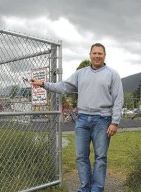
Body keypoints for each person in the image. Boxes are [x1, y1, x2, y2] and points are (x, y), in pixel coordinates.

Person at [30, 43, 123, 192]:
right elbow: (63, 86)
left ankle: (97, 189)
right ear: (90, 55)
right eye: (94, 53)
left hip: (103, 120)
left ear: (105, 56)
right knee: (81, 157)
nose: (97, 56)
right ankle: (84, 188)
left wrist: (115, 122)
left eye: (100, 53)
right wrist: (43, 84)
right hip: (82, 120)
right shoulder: (81, 73)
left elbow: (118, 99)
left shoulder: (112, 74)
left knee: (100, 158)